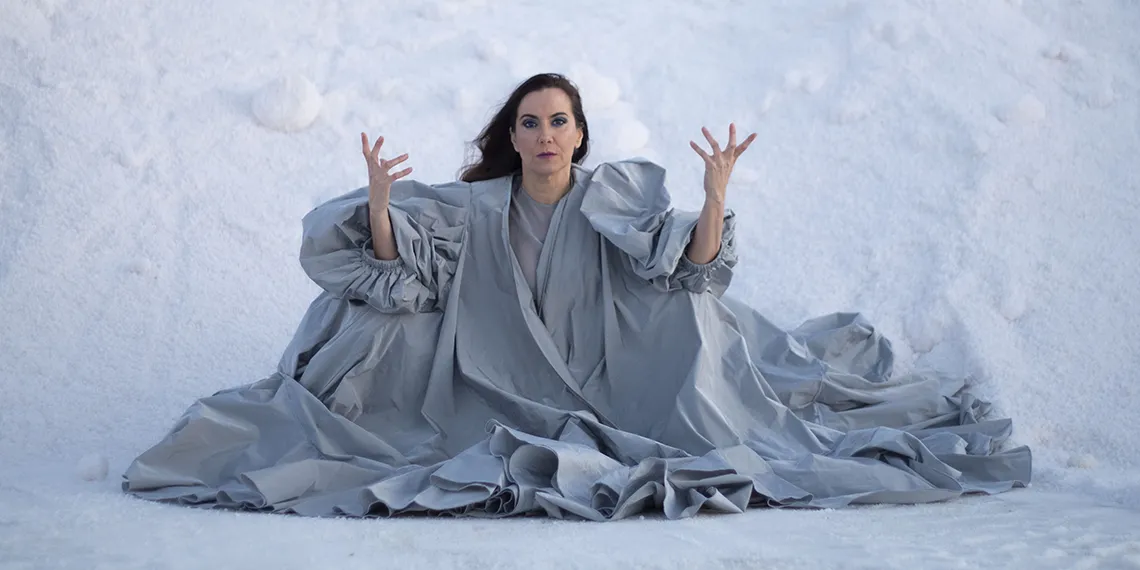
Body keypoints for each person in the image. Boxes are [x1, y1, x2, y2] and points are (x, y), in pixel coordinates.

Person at [123, 73, 1031, 520]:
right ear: (510, 136)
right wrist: (379, 204)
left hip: (604, 365)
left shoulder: (614, 198)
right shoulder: (474, 206)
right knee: (375, 321)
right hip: (493, 374)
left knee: (684, 308)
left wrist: (714, 195)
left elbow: (690, 269)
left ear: (580, 132)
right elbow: (401, 275)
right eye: (530, 121)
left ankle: (701, 416)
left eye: (559, 120)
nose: (545, 133)